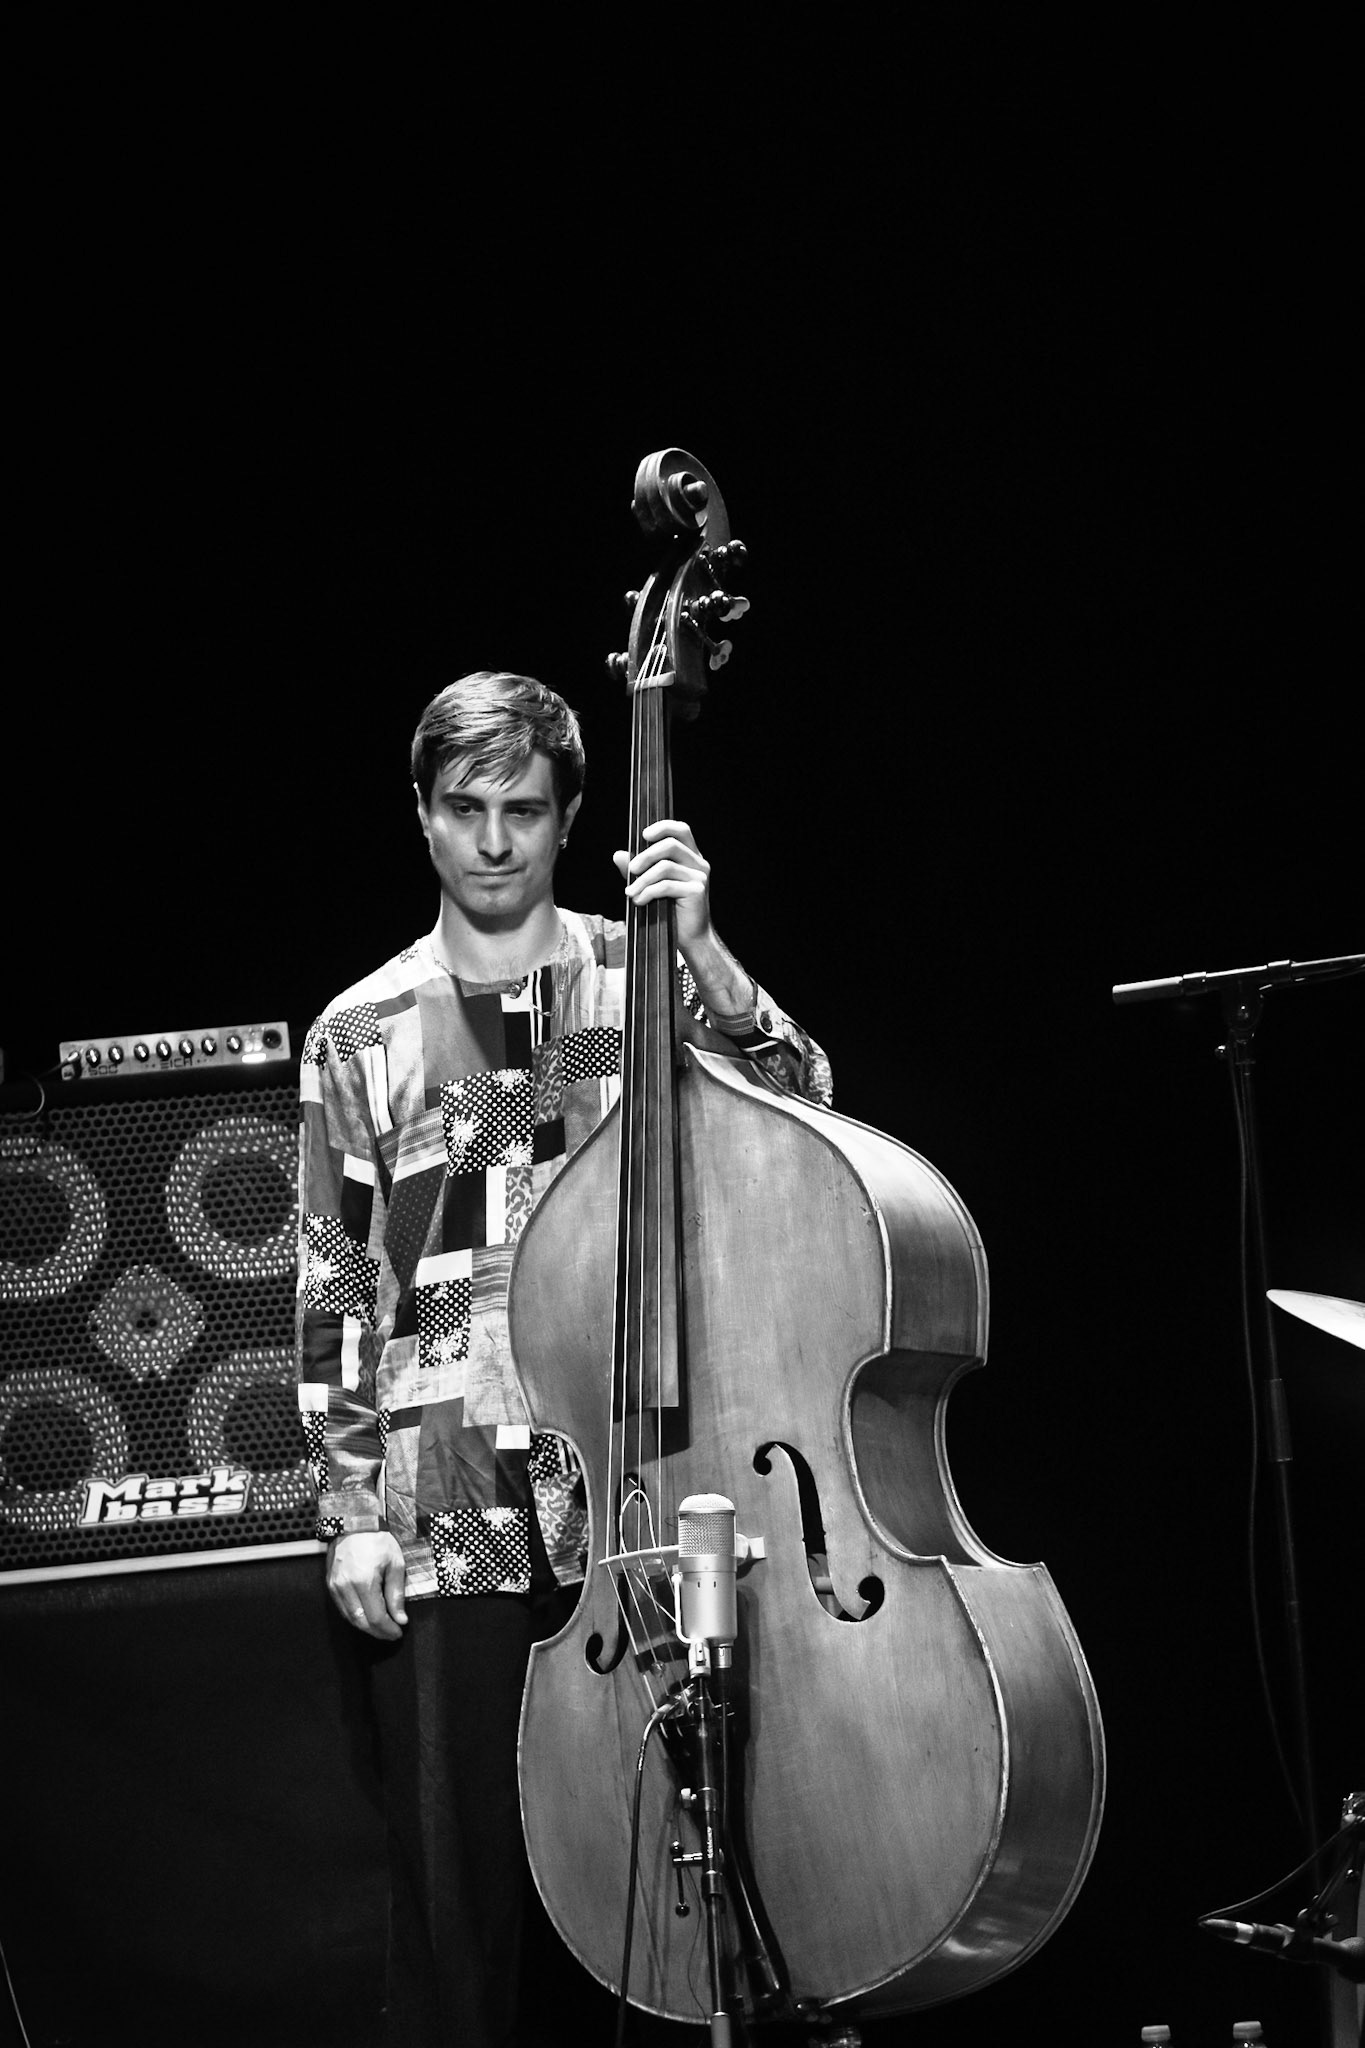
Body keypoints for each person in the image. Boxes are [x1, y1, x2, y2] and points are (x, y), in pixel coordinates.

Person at [295, 671, 831, 2047]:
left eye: (522, 812)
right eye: (462, 810)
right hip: (448, 1507)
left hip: (638, 1485)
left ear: (569, 815)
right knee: (464, 1919)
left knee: (664, 1898)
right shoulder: (359, 1031)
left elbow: (808, 1110)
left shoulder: (638, 976)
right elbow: (336, 1283)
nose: (492, 843)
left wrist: (702, 947)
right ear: (419, 817)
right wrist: (351, 1510)